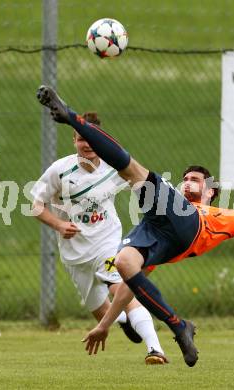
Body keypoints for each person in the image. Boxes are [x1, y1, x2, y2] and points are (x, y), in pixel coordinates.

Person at [36, 85, 234, 367]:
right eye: (186, 178)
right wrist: (105, 325)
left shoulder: (220, 216)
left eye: (196, 180)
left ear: (211, 192)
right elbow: (129, 289)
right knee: (125, 264)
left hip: (191, 225)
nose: (188, 181)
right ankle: (179, 326)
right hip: (159, 232)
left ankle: (71, 116)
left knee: (132, 170)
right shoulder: (166, 203)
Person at [31, 111, 168, 365]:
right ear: (74, 141)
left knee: (123, 289)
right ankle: (125, 322)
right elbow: (36, 206)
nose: (88, 144)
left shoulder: (114, 165)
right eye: (82, 139)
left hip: (108, 242)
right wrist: (60, 225)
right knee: (102, 312)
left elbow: (143, 182)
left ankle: (155, 350)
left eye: (92, 139)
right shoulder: (60, 171)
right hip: (74, 253)